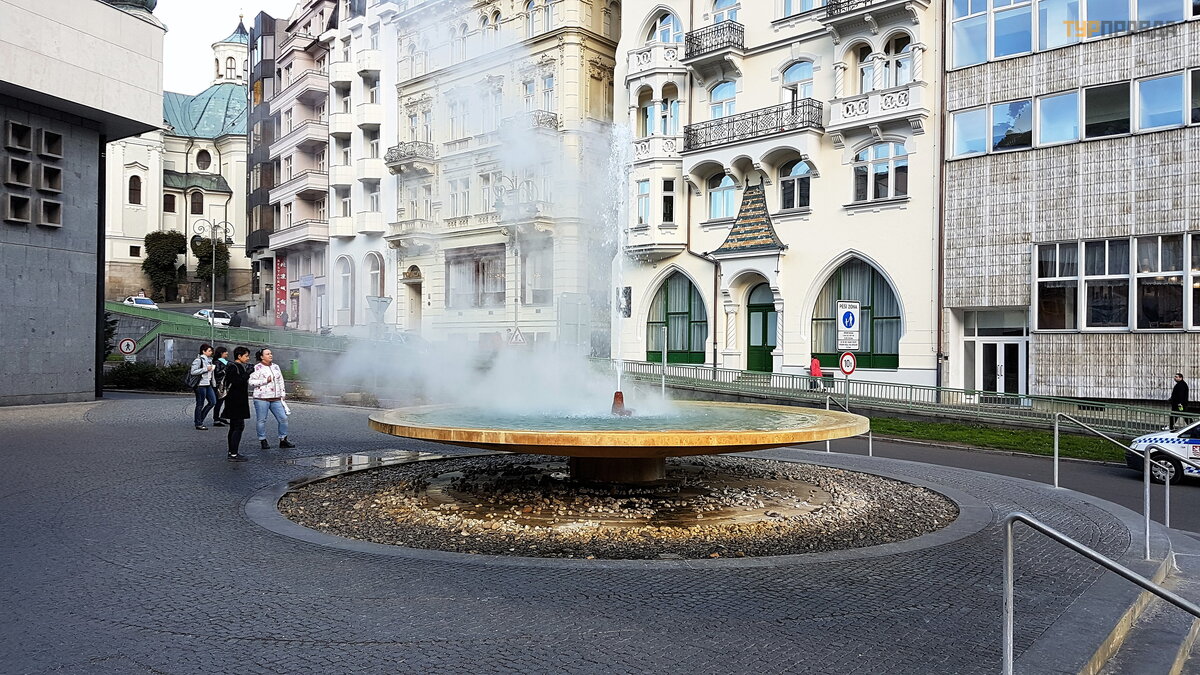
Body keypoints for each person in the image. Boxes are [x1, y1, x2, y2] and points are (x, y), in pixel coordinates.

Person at [248, 348, 295, 449]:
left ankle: (283, 439)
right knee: (261, 420)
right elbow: (251, 382)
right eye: (267, 354)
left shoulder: (276, 366)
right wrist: (265, 381)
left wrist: (282, 393)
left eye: (271, 353)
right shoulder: (257, 367)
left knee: (283, 418)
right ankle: (262, 440)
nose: (270, 355)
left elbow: (281, 380)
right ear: (262, 357)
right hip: (261, 398)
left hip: (276, 398)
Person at [222, 347, 253, 462]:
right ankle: (233, 454)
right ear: (239, 356)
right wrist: (248, 373)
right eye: (246, 356)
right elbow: (237, 382)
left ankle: (232, 452)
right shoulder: (234, 367)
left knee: (234, 426)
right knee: (238, 427)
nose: (248, 358)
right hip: (236, 401)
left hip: (235, 400)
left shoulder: (235, 366)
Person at [190, 344, 217, 430]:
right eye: (209, 351)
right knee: (200, 404)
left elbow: (211, 375)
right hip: (200, 385)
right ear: (203, 351)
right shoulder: (198, 360)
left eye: (211, 351)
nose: (211, 352)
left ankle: (200, 419)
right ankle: (198, 423)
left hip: (208, 384)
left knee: (213, 402)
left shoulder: (210, 360)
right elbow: (193, 372)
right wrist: (206, 369)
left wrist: (214, 384)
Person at [211, 346, 230, 427]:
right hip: (220, 385)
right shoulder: (217, 362)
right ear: (221, 353)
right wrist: (225, 371)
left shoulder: (226, 362)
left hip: (226, 384)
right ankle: (216, 419)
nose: (227, 353)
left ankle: (222, 416)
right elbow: (217, 373)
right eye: (225, 352)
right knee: (219, 402)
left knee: (227, 401)